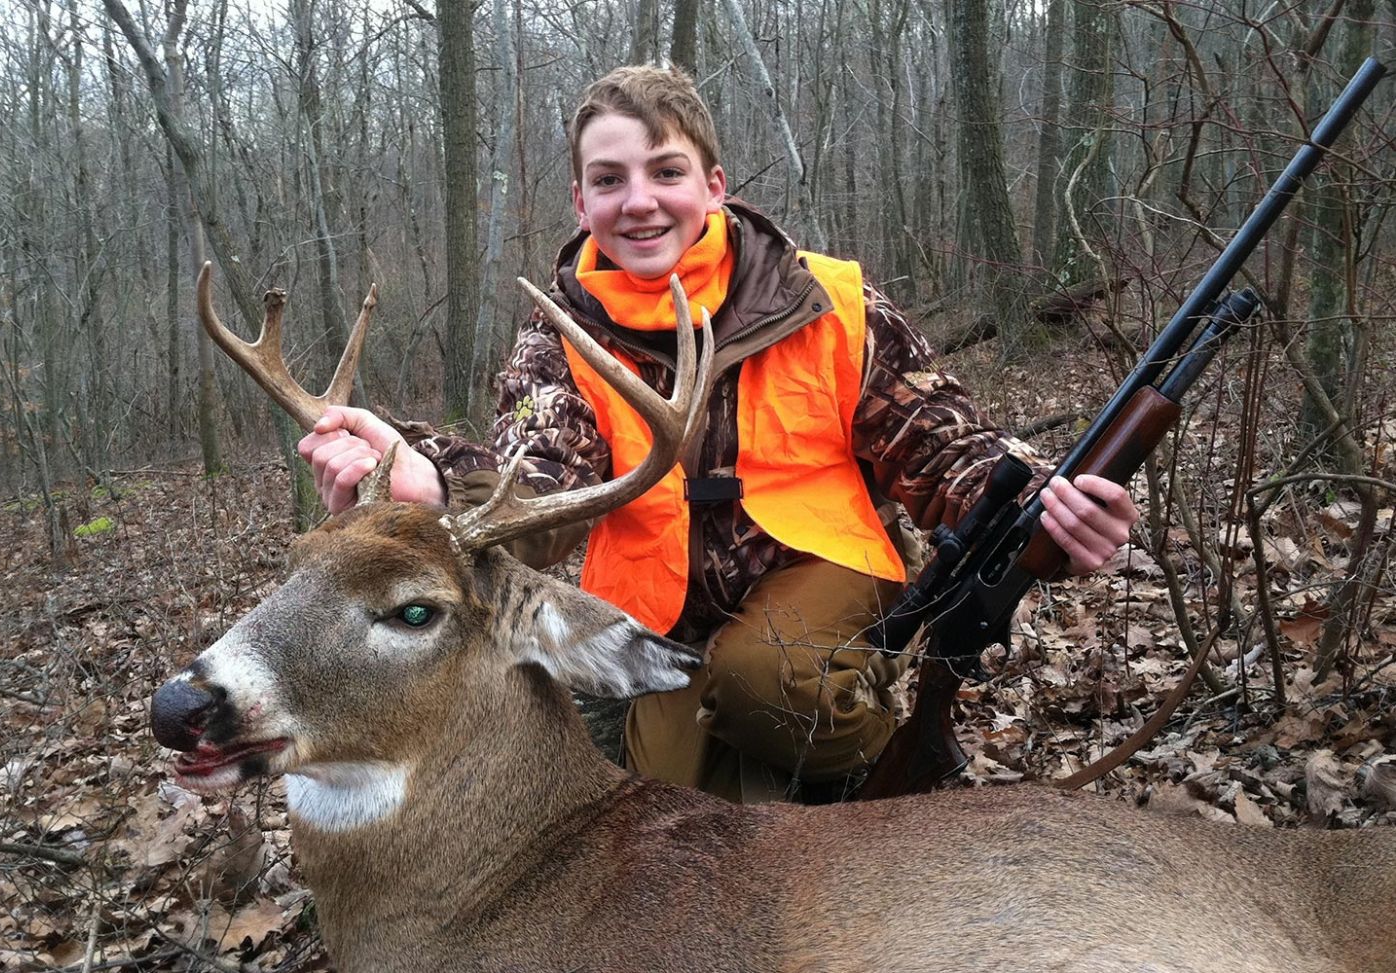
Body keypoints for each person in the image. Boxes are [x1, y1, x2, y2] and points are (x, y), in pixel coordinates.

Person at [299, 65, 1136, 803]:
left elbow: (943, 443)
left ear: (714, 184)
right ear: (580, 201)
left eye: (667, 171)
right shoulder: (555, 340)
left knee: (763, 682)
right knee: (671, 800)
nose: (640, 200)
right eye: (610, 179)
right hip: (662, 617)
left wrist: (1047, 506)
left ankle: (903, 791)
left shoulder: (828, 300)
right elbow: (540, 486)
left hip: (821, 573)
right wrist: (434, 481)